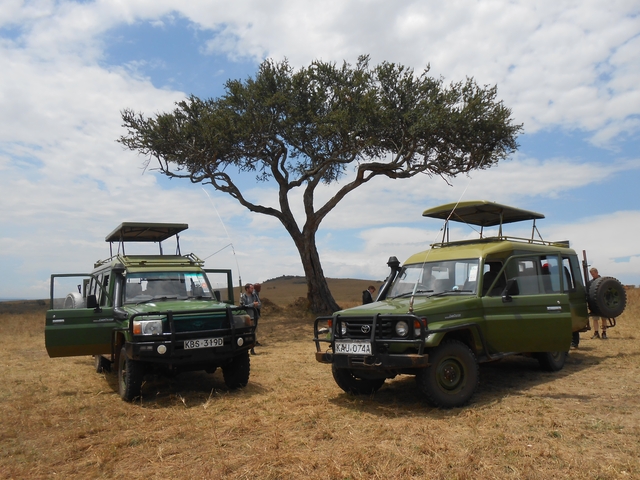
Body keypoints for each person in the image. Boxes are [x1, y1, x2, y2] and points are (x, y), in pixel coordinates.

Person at [240, 283, 262, 354]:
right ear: (247, 289)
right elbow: (243, 307)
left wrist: (256, 305)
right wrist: (252, 305)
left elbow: (259, 304)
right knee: (247, 333)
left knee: (253, 333)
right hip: (247, 317)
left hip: (254, 317)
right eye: (251, 288)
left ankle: (252, 349)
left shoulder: (254, 295)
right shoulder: (243, 297)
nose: (253, 290)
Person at [589, 267, 608, 340]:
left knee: (604, 319)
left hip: (603, 303)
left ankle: (604, 333)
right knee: (595, 319)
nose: (592, 275)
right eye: (591, 274)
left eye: (593, 274)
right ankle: (596, 333)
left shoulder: (603, 281)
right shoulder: (591, 283)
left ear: (597, 272)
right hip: (594, 304)